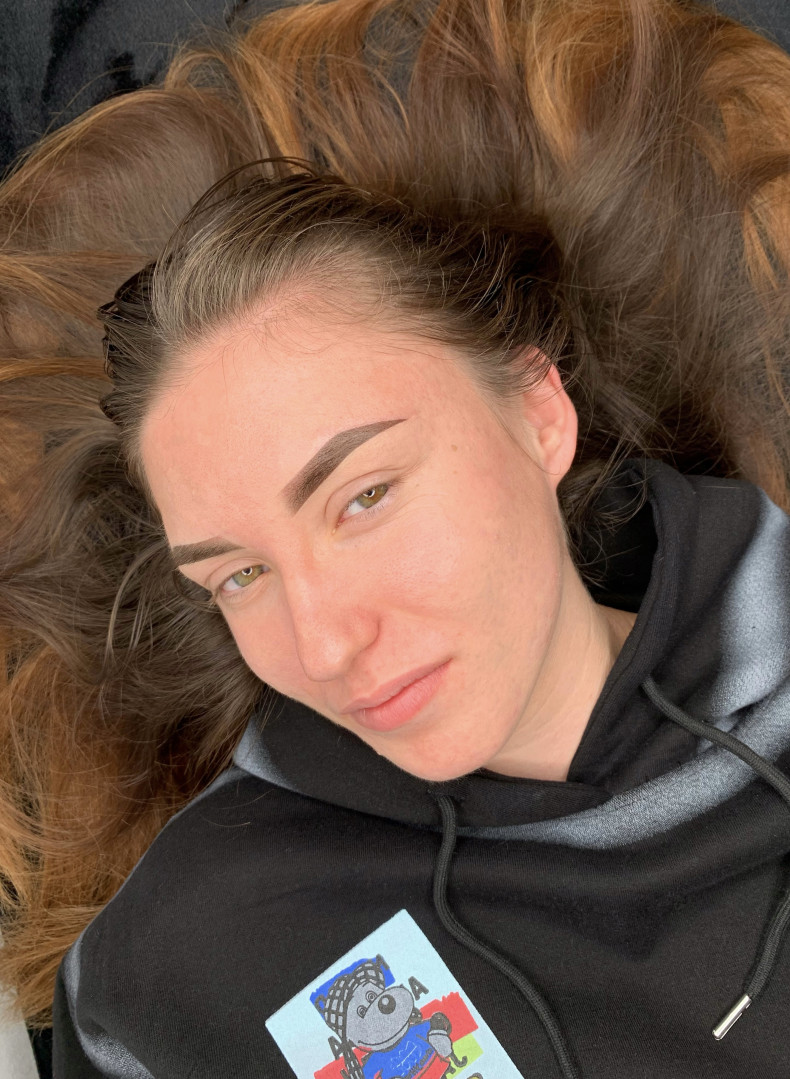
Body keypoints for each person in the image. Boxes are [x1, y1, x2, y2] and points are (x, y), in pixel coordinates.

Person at [0, 0, 789, 1076]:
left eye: (363, 496)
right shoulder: (184, 964)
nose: (325, 643)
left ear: (538, 414)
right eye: (240, 573)